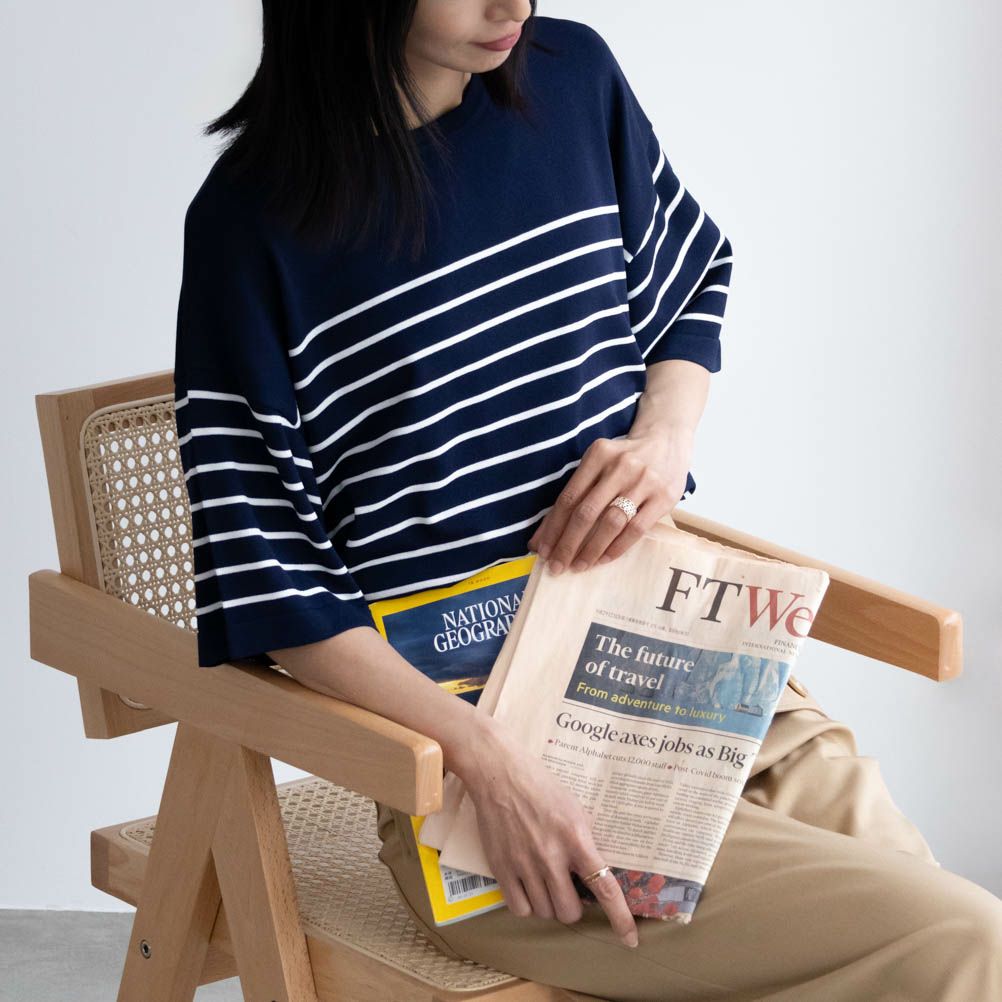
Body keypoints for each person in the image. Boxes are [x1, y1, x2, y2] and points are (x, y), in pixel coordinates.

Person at [172, 3, 1002, 999]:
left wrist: (662, 441)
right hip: (484, 766)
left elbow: (690, 288)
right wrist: (486, 762)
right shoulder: (251, 228)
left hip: (695, 673)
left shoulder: (572, 79)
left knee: (953, 940)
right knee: (963, 943)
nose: (512, 5)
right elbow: (275, 592)